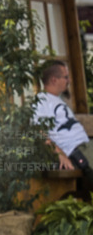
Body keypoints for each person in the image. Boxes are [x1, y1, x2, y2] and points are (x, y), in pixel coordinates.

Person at [34, 59, 93, 191]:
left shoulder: (57, 100)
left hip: (85, 146)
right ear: (54, 80)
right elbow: (38, 131)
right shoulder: (42, 101)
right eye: (66, 77)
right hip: (75, 151)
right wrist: (59, 153)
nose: (69, 81)